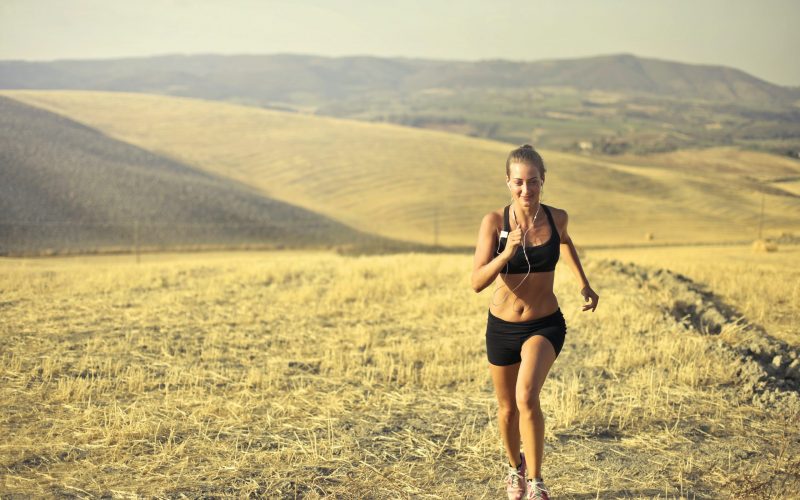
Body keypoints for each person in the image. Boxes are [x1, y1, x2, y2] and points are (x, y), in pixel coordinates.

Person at [471, 144, 599, 500]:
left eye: (533, 182)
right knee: (507, 408)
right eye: (518, 183)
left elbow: (567, 242)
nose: (526, 190)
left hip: (544, 324)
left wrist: (583, 283)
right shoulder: (494, 223)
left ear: (544, 180)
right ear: (508, 183)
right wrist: (507, 253)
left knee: (526, 396)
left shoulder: (557, 218)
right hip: (502, 327)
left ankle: (537, 482)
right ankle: (516, 471)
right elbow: (477, 282)